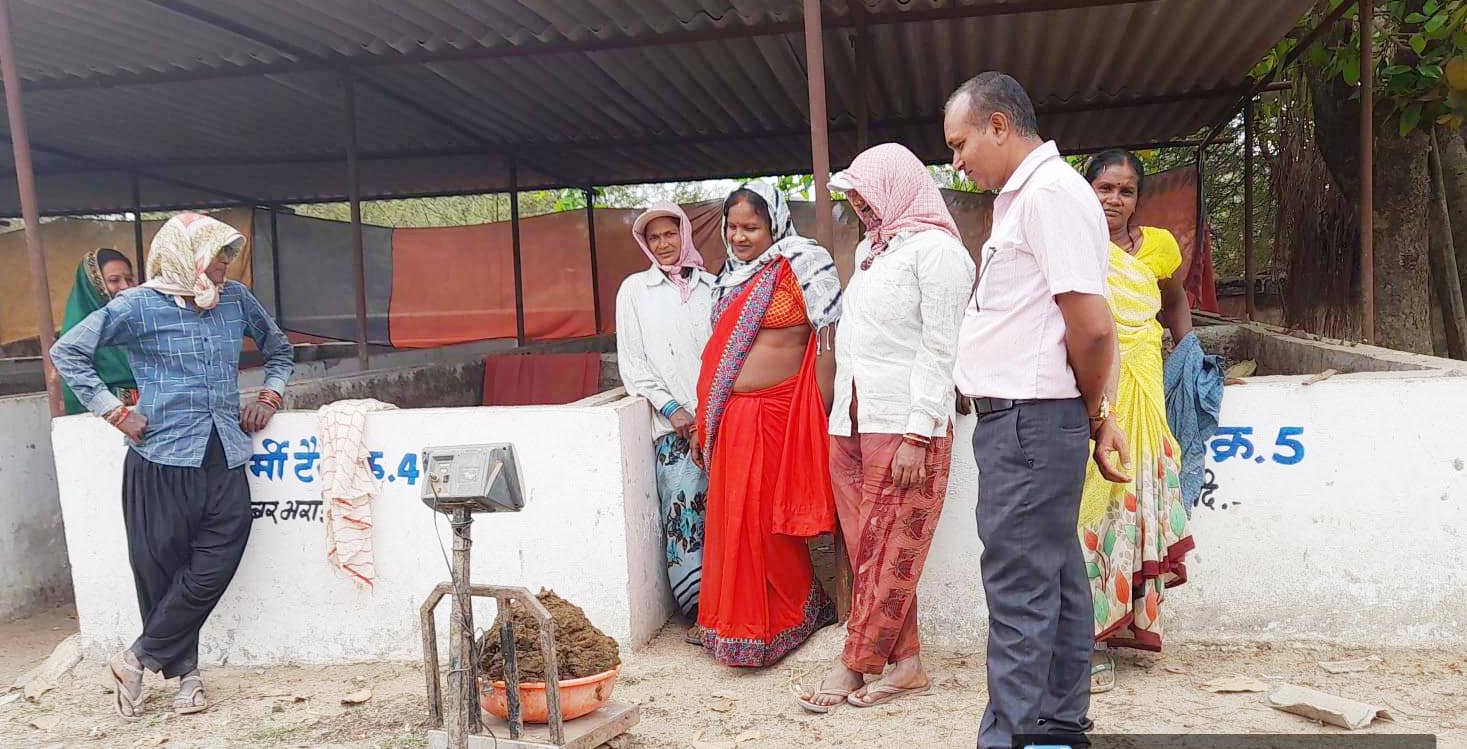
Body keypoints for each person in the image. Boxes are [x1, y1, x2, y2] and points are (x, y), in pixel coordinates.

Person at [943, 72, 1130, 749]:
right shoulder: (1022, 200)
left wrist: (1090, 409)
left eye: (960, 143)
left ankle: (1010, 738)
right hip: (1030, 418)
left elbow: (1092, 327)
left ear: (998, 125)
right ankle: (1055, 727)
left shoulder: (1049, 196)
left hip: (1028, 418)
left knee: (1020, 585)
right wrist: (1090, 412)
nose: (956, 160)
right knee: (1051, 573)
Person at [50, 213, 293, 719]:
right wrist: (113, 411)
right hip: (158, 458)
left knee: (217, 557)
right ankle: (188, 680)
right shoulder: (136, 306)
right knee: (159, 571)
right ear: (184, 260)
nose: (223, 269)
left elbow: (280, 350)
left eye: (226, 260)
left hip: (223, 453)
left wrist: (269, 397)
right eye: (215, 260)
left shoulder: (235, 299)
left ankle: (136, 658)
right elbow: (68, 351)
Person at [796, 143, 975, 712]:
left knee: (891, 547)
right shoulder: (876, 253)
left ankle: (854, 665)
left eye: (868, 200)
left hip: (903, 425)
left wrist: (919, 432)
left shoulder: (939, 252)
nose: (863, 213)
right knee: (868, 551)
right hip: (852, 418)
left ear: (899, 188)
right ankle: (907, 663)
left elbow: (940, 348)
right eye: (857, 204)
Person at [691, 181, 841, 668]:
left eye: (751, 227)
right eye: (732, 227)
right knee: (733, 519)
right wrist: (705, 422)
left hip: (782, 413)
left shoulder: (805, 264)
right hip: (732, 416)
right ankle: (732, 626)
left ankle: (792, 614)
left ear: (773, 223)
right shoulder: (729, 277)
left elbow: (829, 341)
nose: (739, 237)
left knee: (770, 522)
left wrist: (823, 408)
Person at [1080, 150, 1197, 692]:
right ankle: (1091, 639)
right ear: (1088, 190)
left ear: (1137, 198)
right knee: (1095, 513)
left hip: (1147, 386)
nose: (1114, 200)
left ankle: (1129, 625)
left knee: (1138, 507)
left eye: (1125, 191)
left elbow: (1174, 302)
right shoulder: (1076, 244)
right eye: (1105, 188)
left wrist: (1188, 354)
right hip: (1098, 388)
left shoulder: (1159, 248)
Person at [615, 202, 715, 643]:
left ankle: (733, 604)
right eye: (654, 238)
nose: (663, 244)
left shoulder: (714, 286)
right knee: (684, 511)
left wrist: (713, 410)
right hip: (674, 428)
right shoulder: (634, 290)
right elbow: (633, 363)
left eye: (670, 234)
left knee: (726, 512)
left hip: (721, 420)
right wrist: (673, 409)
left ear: (685, 234)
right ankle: (698, 610)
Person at [60, 248, 138, 415]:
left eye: (129, 279)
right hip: (102, 423)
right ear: (94, 286)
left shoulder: (140, 324)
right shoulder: (77, 334)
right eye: (114, 280)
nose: (125, 287)